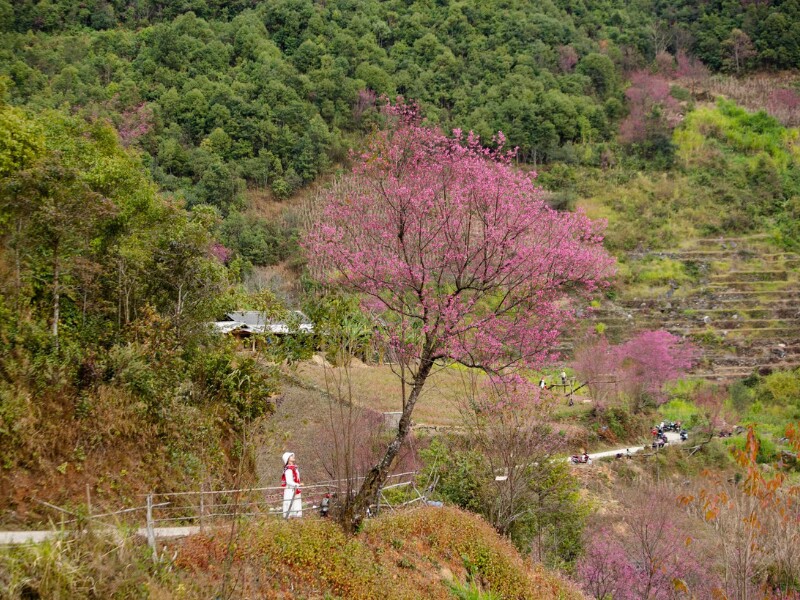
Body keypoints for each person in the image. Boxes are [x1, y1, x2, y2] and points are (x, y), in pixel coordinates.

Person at [281, 451, 302, 518]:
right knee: (290, 503)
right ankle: (290, 518)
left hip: (295, 488)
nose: (293, 457)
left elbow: (297, 478)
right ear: (287, 459)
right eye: (291, 456)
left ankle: (297, 518)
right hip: (290, 489)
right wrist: (297, 485)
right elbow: (289, 481)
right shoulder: (288, 469)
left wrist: (298, 484)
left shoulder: (294, 468)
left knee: (296, 503)